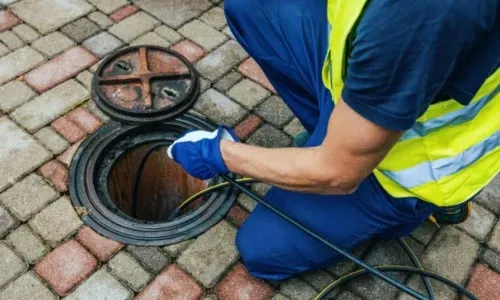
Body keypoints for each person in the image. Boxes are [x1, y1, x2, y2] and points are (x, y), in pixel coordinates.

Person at [167, 0, 500, 281]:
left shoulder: (415, 17)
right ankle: (343, 134)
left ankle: (411, 212)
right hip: (371, 86)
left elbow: (337, 174)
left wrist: (221, 153)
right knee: (251, 7)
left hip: (408, 171)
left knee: (262, 251)